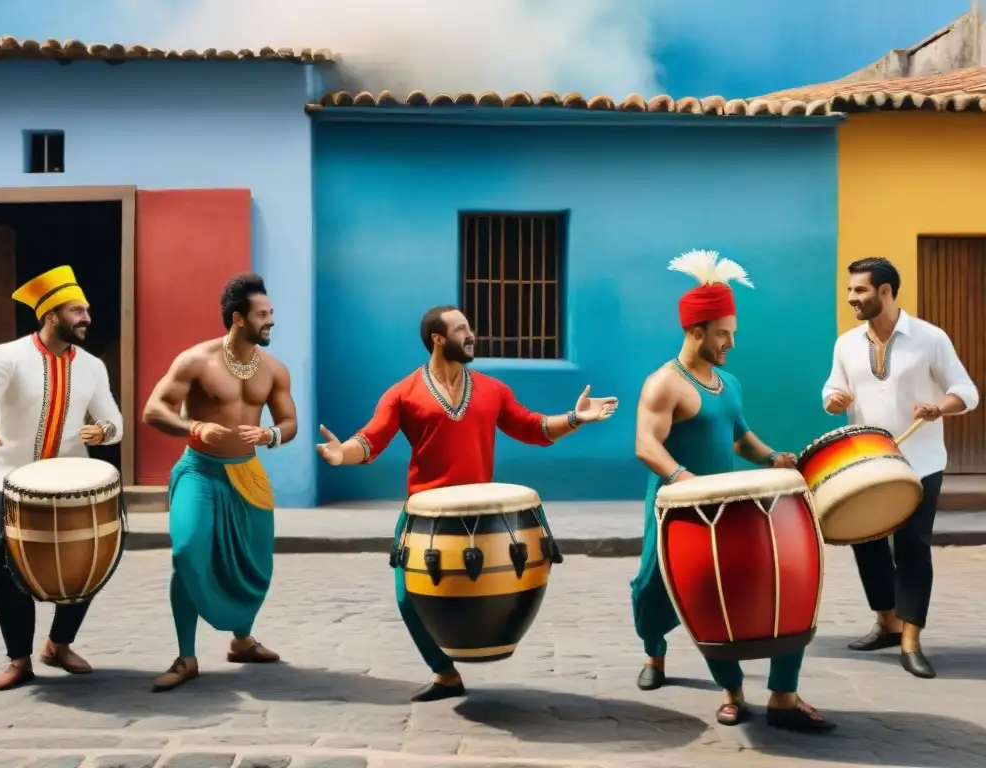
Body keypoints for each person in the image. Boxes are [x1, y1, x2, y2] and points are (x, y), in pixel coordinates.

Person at [316, 304, 618, 703]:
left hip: (481, 517)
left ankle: (482, 648)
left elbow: (534, 428)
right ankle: (445, 674)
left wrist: (575, 418)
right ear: (438, 339)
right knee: (408, 599)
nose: (471, 334)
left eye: (469, 327)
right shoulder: (403, 393)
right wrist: (342, 454)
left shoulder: (493, 390)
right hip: (423, 514)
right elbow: (371, 439)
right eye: (461, 329)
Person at [633, 249, 834, 732]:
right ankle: (655, 651)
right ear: (695, 331)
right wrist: (686, 482)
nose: (731, 343)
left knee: (743, 589)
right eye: (723, 334)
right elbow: (646, 445)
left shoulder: (729, 383)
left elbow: (741, 438)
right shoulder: (664, 384)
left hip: (728, 508)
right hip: (677, 509)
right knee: (652, 595)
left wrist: (772, 458)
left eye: (733, 333)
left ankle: (753, 694)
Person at [0, 265, 123, 691]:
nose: (87, 318)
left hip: (72, 483)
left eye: (87, 310)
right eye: (77, 311)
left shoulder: (92, 366)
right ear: (51, 315)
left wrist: (104, 430)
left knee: (87, 561)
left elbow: (114, 420)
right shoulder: (8, 355)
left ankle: (59, 643)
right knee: (6, 566)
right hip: (7, 477)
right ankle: (19, 659)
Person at [822, 257, 978, 679]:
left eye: (860, 290)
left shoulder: (930, 338)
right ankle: (887, 623)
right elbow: (833, 387)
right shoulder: (846, 344)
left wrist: (939, 407)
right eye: (850, 290)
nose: (852, 298)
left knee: (912, 547)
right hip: (866, 462)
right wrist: (833, 399)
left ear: (886, 291)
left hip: (920, 463)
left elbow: (966, 390)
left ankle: (911, 640)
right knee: (866, 542)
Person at [141, 272, 298, 692]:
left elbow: (289, 422)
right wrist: (193, 427)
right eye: (262, 315)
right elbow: (154, 410)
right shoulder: (196, 360)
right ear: (238, 318)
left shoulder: (274, 370)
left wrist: (269, 434)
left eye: (271, 313)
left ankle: (242, 641)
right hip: (200, 471)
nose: (270, 321)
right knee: (188, 551)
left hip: (247, 474)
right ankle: (186, 657)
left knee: (253, 563)